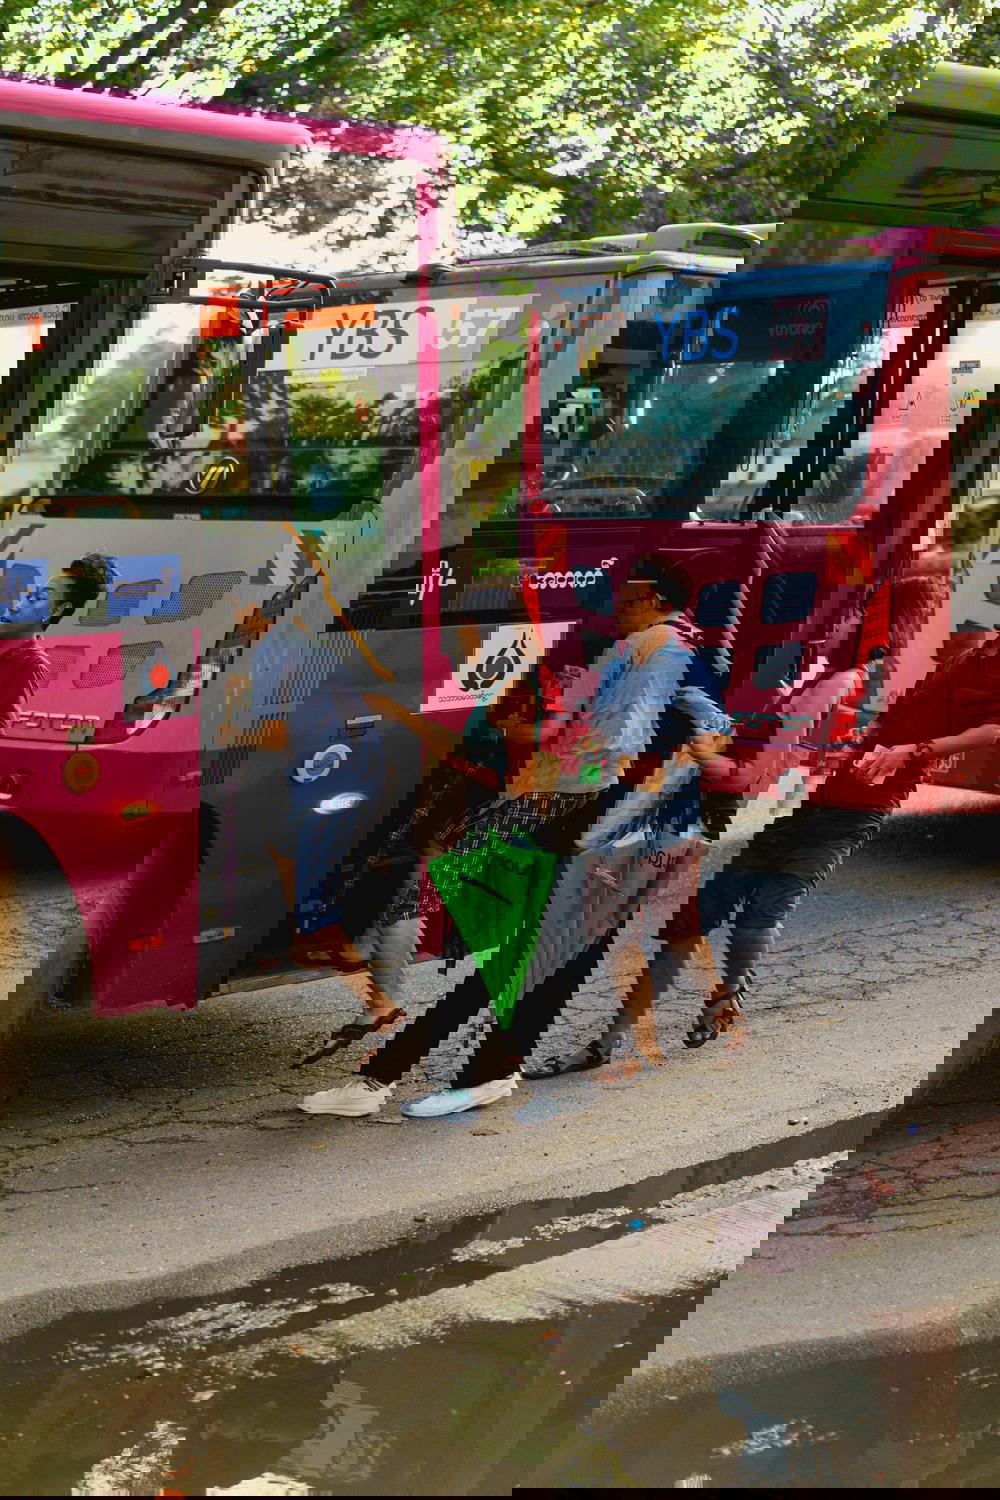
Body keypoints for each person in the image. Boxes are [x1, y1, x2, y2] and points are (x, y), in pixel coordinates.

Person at [300, 554, 732, 1117]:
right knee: (523, 962)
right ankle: (397, 1078)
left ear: (657, 604)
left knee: (533, 963)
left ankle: (441, 1077)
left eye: (629, 600)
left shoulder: (675, 662)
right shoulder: (626, 659)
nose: (619, 608)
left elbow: (714, 732)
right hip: (596, 833)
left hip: (638, 840)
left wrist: (671, 764)